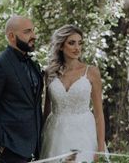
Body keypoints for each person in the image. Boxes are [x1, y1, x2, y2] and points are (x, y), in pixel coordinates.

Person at [0, 16, 44, 163]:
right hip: (9, 150)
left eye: (33, 31)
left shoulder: (33, 64)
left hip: (34, 147)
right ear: (11, 36)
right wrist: (2, 142)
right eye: (27, 32)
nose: (34, 36)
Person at [41, 24, 107, 162]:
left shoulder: (92, 72)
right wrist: (40, 140)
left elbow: (99, 115)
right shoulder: (50, 73)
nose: (77, 48)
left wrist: (100, 148)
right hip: (55, 135)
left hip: (84, 134)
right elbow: (46, 111)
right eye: (71, 43)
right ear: (61, 46)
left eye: (80, 43)